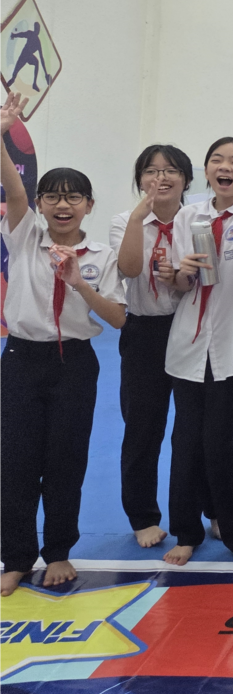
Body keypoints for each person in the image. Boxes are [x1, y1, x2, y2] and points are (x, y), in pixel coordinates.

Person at [0, 92, 127, 596]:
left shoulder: (102, 256)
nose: (62, 204)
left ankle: (58, 551)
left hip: (74, 362)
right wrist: (1, 135)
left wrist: (80, 284)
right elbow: (13, 190)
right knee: (14, 462)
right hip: (21, 360)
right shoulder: (24, 235)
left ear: (89, 205)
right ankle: (15, 556)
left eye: (73, 197)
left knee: (65, 461)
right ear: (39, 204)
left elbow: (118, 318)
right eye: (52, 196)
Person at [162, 111, 233, 567]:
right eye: (217, 160)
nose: (226, 166)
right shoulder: (188, 215)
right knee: (186, 444)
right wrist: (182, 273)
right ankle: (186, 530)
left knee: (225, 445)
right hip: (188, 345)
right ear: (205, 170)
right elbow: (177, 284)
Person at [111, 143, 195, 549]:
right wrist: (137, 219)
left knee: (197, 429)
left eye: (170, 170)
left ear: (186, 180)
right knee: (143, 428)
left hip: (192, 328)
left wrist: (180, 276)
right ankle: (143, 516)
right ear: (139, 179)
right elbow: (128, 270)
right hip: (144, 332)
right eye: (151, 170)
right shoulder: (124, 221)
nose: (160, 177)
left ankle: (208, 508)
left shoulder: (198, 221)